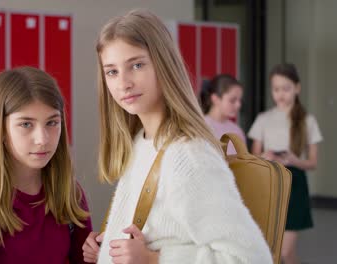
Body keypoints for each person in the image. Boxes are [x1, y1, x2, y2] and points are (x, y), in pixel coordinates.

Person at [82, 9, 272, 264]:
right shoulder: (143, 141)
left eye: (136, 65)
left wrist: (154, 259)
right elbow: (161, 231)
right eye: (112, 71)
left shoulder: (187, 154)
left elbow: (251, 258)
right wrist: (107, 251)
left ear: (164, 65)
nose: (123, 83)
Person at [0, 66, 92, 263]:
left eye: (52, 123)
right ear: (1, 129)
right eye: (26, 124)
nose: (42, 139)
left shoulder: (71, 194)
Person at [248, 63, 322, 264]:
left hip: (295, 185)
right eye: (276, 89)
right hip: (269, 184)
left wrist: (294, 160)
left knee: (285, 253)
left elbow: (313, 163)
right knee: (271, 253)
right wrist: (267, 155)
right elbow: (253, 158)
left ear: (297, 88)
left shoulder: (308, 120)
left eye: (286, 88)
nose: (280, 94)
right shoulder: (263, 119)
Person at [200, 74, 245, 154]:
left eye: (239, 100)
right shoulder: (200, 126)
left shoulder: (237, 130)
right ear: (215, 99)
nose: (238, 105)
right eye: (232, 100)